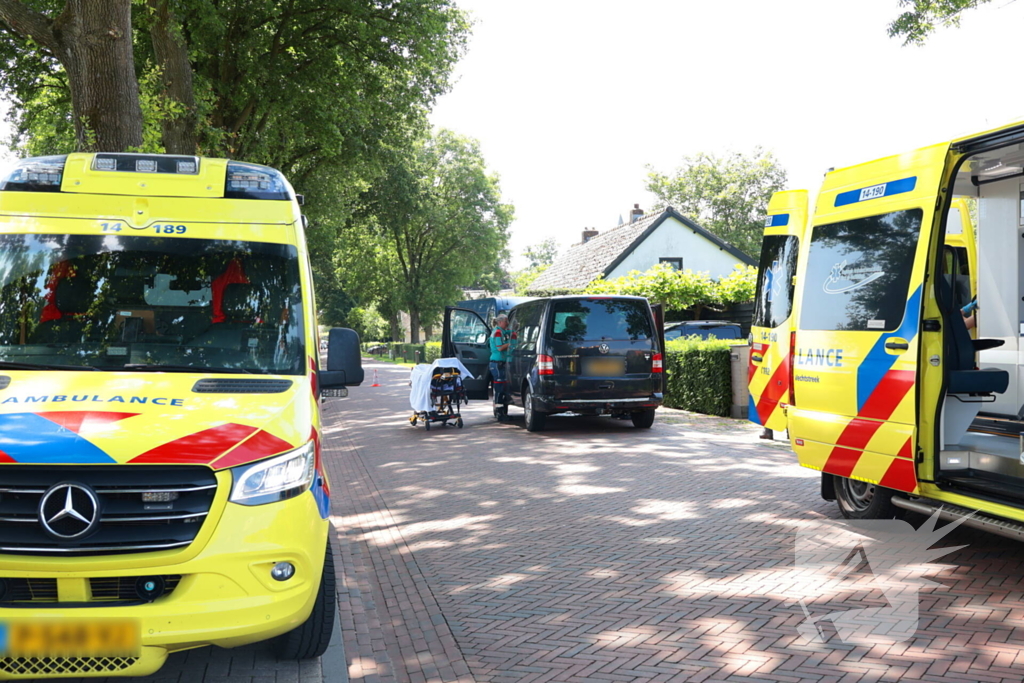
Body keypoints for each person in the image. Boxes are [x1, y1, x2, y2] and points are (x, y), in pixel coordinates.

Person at [489, 313, 511, 418]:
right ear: (500, 322)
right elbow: (500, 347)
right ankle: (499, 412)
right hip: (497, 363)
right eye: (506, 321)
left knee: (502, 387)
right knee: (499, 388)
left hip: (499, 363)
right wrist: (511, 344)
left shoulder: (501, 331)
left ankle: (502, 412)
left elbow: (510, 332)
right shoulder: (498, 333)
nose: (508, 323)